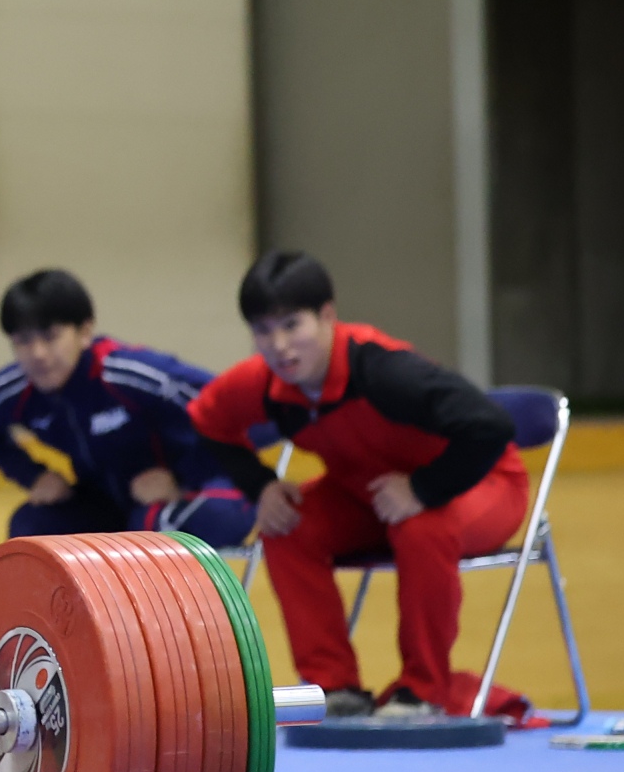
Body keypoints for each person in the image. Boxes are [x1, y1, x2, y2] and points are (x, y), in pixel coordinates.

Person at [186, 251, 529, 719]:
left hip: (479, 484)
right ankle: (334, 687)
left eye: (292, 325)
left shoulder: (386, 372)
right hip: (372, 496)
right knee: (286, 526)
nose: (279, 345)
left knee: (422, 527)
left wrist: (423, 489)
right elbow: (206, 420)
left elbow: (490, 426)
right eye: (263, 331)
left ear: (328, 316)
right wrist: (261, 486)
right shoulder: (264, 383)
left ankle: (422, 691)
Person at [0, 269, 255, 547]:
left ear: (84, 331)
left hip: (198, 487)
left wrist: (180, 477)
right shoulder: (16, 388)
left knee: (154, 528)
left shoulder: (132, 374)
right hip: (109, 503)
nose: (38, 354)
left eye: (51, 337)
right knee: (31, 529)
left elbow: (242, 411)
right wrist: (32, 475)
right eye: (23, 341)